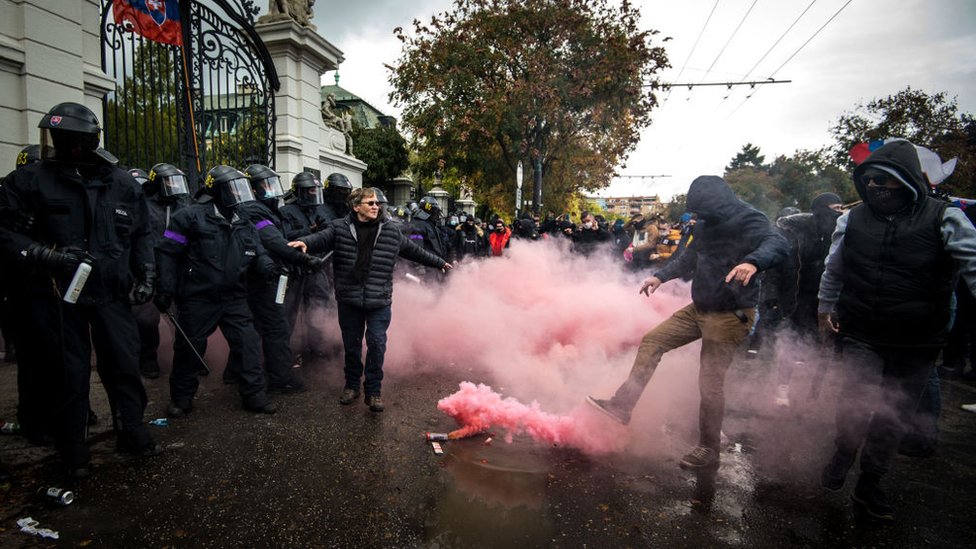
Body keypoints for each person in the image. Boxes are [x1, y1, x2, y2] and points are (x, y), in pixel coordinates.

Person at [0, 102, 162, 478]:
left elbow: (141, 235)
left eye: (74, 140)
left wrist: (147, 274)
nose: (66, 145)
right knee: (65, 371)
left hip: (110, 290)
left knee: (123, 361)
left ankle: (131, 429)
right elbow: (6, 233)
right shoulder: (29, 180)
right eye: (60, 139)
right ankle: (72, 447)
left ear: (90, 141)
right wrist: (45, 255)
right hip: (56, 293)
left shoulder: (121, 184)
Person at [817, 139, 976, 521]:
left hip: (918, 339)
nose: (874, 188)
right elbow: (833, 269)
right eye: (868, 181)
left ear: (905, 182)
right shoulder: (850, 219)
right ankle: (843, 452)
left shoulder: (945, 217)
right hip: (861, 331)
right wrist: (824, 309)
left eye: (883, 182)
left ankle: (870, 483)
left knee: (893, 415)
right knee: (855, 402)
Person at [587, 175, 788, 470]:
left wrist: (753, 261)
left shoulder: (750, 219)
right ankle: (622, 405)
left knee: (709, 383)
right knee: (653, 341)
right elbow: (689, 257)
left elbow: (777, 243)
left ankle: (708, 449)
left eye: (702, 211)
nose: (699, 218)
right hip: (700, 308)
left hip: (732, 314)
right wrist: (660, 277)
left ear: (717, 203)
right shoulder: (706, 224)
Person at [289, 188, 452, 412]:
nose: (376, 206)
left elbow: (414, 251)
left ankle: (373, 391)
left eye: (377, 203)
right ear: (356, 207)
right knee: (352, 346)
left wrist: (439, 262)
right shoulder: (339, 227)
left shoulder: (391, 231)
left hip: (379, 301)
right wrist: (305, 242)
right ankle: (352, 385)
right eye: (370, 203)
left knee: (376, 343)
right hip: (349, 299)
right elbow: (321, 238)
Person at [155, 165, 280, 417]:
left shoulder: (243, 218)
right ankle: (181, 398)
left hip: (233, 296)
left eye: (240, 188)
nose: (238, 194)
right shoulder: (190, 217)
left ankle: (254, 396)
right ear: (216, 191)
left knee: (248, 345)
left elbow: (257, 248)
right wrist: (165, 288)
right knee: (190, 349)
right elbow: (167, 252)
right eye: (232, 189)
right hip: (198, 296)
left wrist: (266, 264)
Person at [227, 164, 322, 393]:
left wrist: (309, 237)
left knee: (259, 326)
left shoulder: (268, 209)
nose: (271, 190)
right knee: (277, 327)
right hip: (264, 277)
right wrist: (305, 260)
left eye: (272, 184)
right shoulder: (253, 209)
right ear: (252, 188)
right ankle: (280, 378)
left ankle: (234, 371)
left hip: (267, 274)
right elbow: (273, 241)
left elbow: (283, 236)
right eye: (264, 185)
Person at [761, 193, 843, 407]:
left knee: (821, 346)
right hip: (796, 300)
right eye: (835, 208)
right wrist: (771, 295)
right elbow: (776, 267)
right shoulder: (793, 233)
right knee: (792, 343)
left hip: (827, 301)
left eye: (841, 208)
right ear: (821, 209)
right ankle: (783, 388)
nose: (839, 212)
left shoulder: (842, 234)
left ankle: (813, 393)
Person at [132, 163, 191, 379]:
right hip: (150, 269)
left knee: (179, 316)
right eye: (168, 182)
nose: (174, 187)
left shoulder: (182, 206)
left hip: (175, 271)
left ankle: (186, 359)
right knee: (147, 318)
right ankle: (148, 359)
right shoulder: (144, 207)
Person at [279, 172, 334, 362]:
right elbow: (285, 236)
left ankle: (316, 346)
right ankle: (285, 354)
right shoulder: (286, 211)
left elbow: (328, 231)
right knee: (289, 312)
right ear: (299, 192)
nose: (313, 194)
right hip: (294, 268)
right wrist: (308, 232)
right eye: (310, 190)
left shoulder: (318, 210)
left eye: (315, 190)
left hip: (316, 266)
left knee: (319, 305)